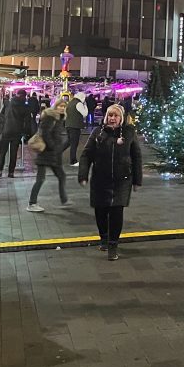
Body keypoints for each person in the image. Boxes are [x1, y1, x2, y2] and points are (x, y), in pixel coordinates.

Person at [77, 104, 143, 261]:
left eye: (116, 115)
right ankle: (104, 238)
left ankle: (113, 245)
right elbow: (86, 155)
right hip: (100, 179)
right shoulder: (97, 132)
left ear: (121, 118)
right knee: (100, 212)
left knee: (116, 212)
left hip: (122, 180)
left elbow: (136, 156)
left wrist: (137, 180)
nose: (112, 118)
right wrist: (83, 175)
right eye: (110, 115)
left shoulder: (129, 132)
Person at [27, 97, 69, 212]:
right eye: (60, 106)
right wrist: (53, 146)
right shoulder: (50, 117)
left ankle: (63, 198)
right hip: (46, 153)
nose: (62, 108)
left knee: (61, 176)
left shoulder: (60, 118)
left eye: (64, 106)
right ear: (55, 106)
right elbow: (45, 133)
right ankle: (32, 203)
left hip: (53, 154)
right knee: (40, 179)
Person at [0, 90, 30, 177]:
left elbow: (1, 116)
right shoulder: (25, 107)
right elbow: (27, 121)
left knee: (2, 152)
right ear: (24, 96)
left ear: (16, 95)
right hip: (17, 132)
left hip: (6, 131)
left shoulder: (7, 103)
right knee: (14, 153)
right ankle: (11, 172)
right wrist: (25, 132)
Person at [65, 93, 89, 166]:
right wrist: (85, 105)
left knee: (69, 142)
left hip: (68, 125)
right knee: (74, 144)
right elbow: (85, 113)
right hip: (75, 126)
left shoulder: (70, 103)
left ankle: (56, 153)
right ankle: (73, 161)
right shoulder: (79, 104)